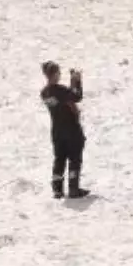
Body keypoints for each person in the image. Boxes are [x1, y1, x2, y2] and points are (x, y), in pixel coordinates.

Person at [40, 61, 88, 199]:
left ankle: (57, 189)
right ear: (55, 74)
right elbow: (76, 96)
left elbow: (65, 98)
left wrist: (71, 84)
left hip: (57, 131)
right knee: (74, 158)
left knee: (59, 159)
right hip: (71, 129)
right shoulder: (60, 90)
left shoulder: (44, 93)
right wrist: (77, 81)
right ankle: (73, 188)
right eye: (58, 72)